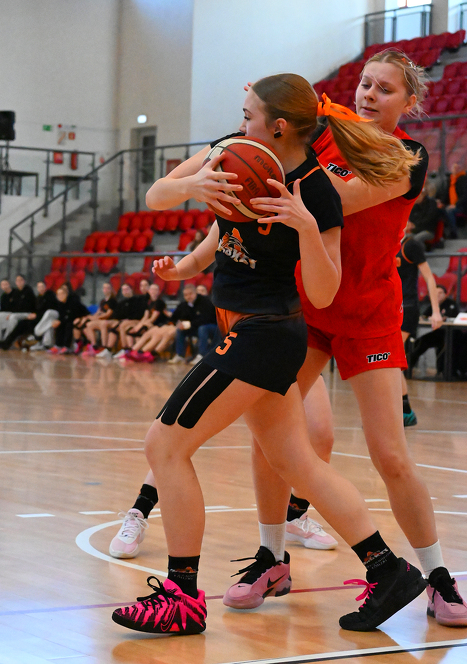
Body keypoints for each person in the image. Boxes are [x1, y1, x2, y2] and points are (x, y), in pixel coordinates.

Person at [111, 73, 426, 636]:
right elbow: (157, 195)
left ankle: (182, 598)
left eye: (249, 114)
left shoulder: (315, 192)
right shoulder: (233, 154)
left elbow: (324, 293)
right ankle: (389, 569)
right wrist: (193, 187)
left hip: (266, 332)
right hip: (244, 325)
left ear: (278, 125)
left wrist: (305, 228)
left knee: (165, 444)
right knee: (297, 463)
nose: (240, 122)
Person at [243, 51, 467, 628]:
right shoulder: (322, 134)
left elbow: (336, 199)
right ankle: (271, 557)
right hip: (307, 305)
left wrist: (310, 134)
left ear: (409, 103)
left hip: (369, 313)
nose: (368, 94)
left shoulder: (407, 156)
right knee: (269, 430)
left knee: (390, 455)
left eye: (384, 89)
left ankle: (438, 577)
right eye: (364, 84)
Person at [397, 225, 442, 425]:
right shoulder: (386, 245)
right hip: (390, 308)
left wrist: (435, 311)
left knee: (389, 360)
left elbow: (429, 278)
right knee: (390, 362)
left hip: (408, 308)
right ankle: (403, 410)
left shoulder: (411, 245)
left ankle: (404, 411)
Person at [410, 284, 459, 375]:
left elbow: (451, 317)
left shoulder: (451, 304)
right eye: (435, 293)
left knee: (445, 348)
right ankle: (408, 368)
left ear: (445, 294)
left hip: (452, 335)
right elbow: (424, 316)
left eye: (440, 293)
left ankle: (444, 373)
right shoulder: (434, 305)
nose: (438, 295)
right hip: (438, 334)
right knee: (420, 342)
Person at [114, 283, 170, 359]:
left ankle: (139, 352)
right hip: (148, 323)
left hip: (157, 324)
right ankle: (129, 351)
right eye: (152, 289)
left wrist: (139, 326)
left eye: (155, 290)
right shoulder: (149, 303)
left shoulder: (159, 302)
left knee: (139, 330)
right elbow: (145, 316)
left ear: (159, 292)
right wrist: (139, 325)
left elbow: (153, 319)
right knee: (131, 331)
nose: (153, 291)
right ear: (149, 291)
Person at [166, 283, 218, 364]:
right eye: (186, 295)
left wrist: (189, 324)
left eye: (190, 294)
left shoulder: (205, 301)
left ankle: (201, 355)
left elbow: (206, 319)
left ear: (195, 293)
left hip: (211, 328)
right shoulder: (184, 305)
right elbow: (173, 317)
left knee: (202, 328)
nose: (188, 296)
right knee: (180, 330)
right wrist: (178, 323)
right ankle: (180, 355)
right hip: (196, 328)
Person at [47, 285, 89, 354]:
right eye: (58, 294)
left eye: (61, 294)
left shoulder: (72, 302)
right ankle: (58, 345)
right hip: (70, 319)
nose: (59, 296)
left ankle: (67, 346)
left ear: (66, 294)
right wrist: (57, 321)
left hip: (82, 317)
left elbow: (72, 316)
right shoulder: (59, 304)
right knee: (59, 325)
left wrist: (60, 321)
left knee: (68, 325)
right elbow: (62, 316)